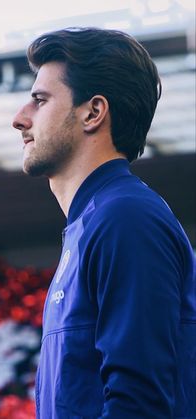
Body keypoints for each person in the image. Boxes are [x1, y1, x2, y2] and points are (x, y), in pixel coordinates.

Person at [12, 27, 196, 419]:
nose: (19, 119)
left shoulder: (125, 218)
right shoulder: (93, 222)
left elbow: (140, 404)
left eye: (39, 101)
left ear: (93, 112)